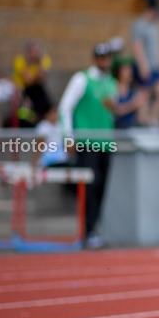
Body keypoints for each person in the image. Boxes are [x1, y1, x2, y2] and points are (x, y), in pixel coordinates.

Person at [58, 43, 118, 249]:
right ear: (95, 59)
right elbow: (65, 107)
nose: (105, 61)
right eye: (102, 58)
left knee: (101, 187)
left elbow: (110, 110)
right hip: (87, 142)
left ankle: (94, 228)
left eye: (108, 58)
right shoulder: (82, 79)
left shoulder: (111, 82)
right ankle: (88, 229)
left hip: (106, 143)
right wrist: (68, 136)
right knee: (90, 187)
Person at [130, 6, 159, 126]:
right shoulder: (140, 25)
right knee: (145, 94)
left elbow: (158, 47)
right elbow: (137, 46)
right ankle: (142, 121)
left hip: (155, 66)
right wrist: (143, 65)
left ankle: (153, 119)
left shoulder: (155, 25)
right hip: (146, 66)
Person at [13, 40, 53, 121]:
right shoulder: (20, 61)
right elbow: (28, 80)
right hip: (22, 89)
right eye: (33, 51)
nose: (35, 54)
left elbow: (42, 77)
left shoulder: (41, 61)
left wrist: (38, 66)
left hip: (35, 90)